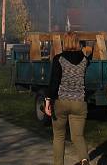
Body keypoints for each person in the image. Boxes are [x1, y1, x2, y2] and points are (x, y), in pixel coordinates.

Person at [44, 31, 90, 165]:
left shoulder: (59, 59)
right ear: (77, 43)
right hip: (80, 103)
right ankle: (84, 159)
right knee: (78, 136)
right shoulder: (85, 61)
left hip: (61, 102)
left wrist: (47, 101)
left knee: (59, 137)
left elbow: (54, 82)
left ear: (65, 42)